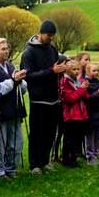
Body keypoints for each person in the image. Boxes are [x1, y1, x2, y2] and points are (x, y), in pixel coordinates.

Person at [20, 20, 64, 174]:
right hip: (38, 99)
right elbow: (28, 76)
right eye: (48, 35)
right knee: (37, 133)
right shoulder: (29, 52)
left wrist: (62, 69)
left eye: (52, 35)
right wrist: (51, 71)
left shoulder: (52, 50)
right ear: (41, 33)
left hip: (53, 98)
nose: (51, 38)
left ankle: (45, 161)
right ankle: (35, 164)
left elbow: (55, 69)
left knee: (50, 132)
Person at [0, 38, 26, 179]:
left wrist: (21, 81)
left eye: (7, 48)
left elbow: (22, 89)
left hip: (14, 109)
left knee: (16, 142)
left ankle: (11, 168)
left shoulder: (10, 66)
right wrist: (13, 81)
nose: (7, 51)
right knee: (0, 142)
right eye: (3, 49)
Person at [58, 59, 89, 167]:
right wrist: (81, 89)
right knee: (69, 138)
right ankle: (67, 159)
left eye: (78, 69)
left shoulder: (78, 81)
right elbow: (70, 99)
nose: (76, 72)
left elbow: (86, 97)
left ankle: (74, 158)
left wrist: (84, 89)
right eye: (73, 69)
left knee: (77, 138)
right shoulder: (65, 81)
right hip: (70, 115)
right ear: (67, 70)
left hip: (80, 114)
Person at [82, 62, 99, 165]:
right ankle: (90, 156)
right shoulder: (86, 84)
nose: (96, 72)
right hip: (90, 114)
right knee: (90, 136)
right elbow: (87, 99)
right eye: (94, 70)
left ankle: (96, 154)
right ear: (88, 71)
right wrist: (98, 93)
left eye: (97, 70)